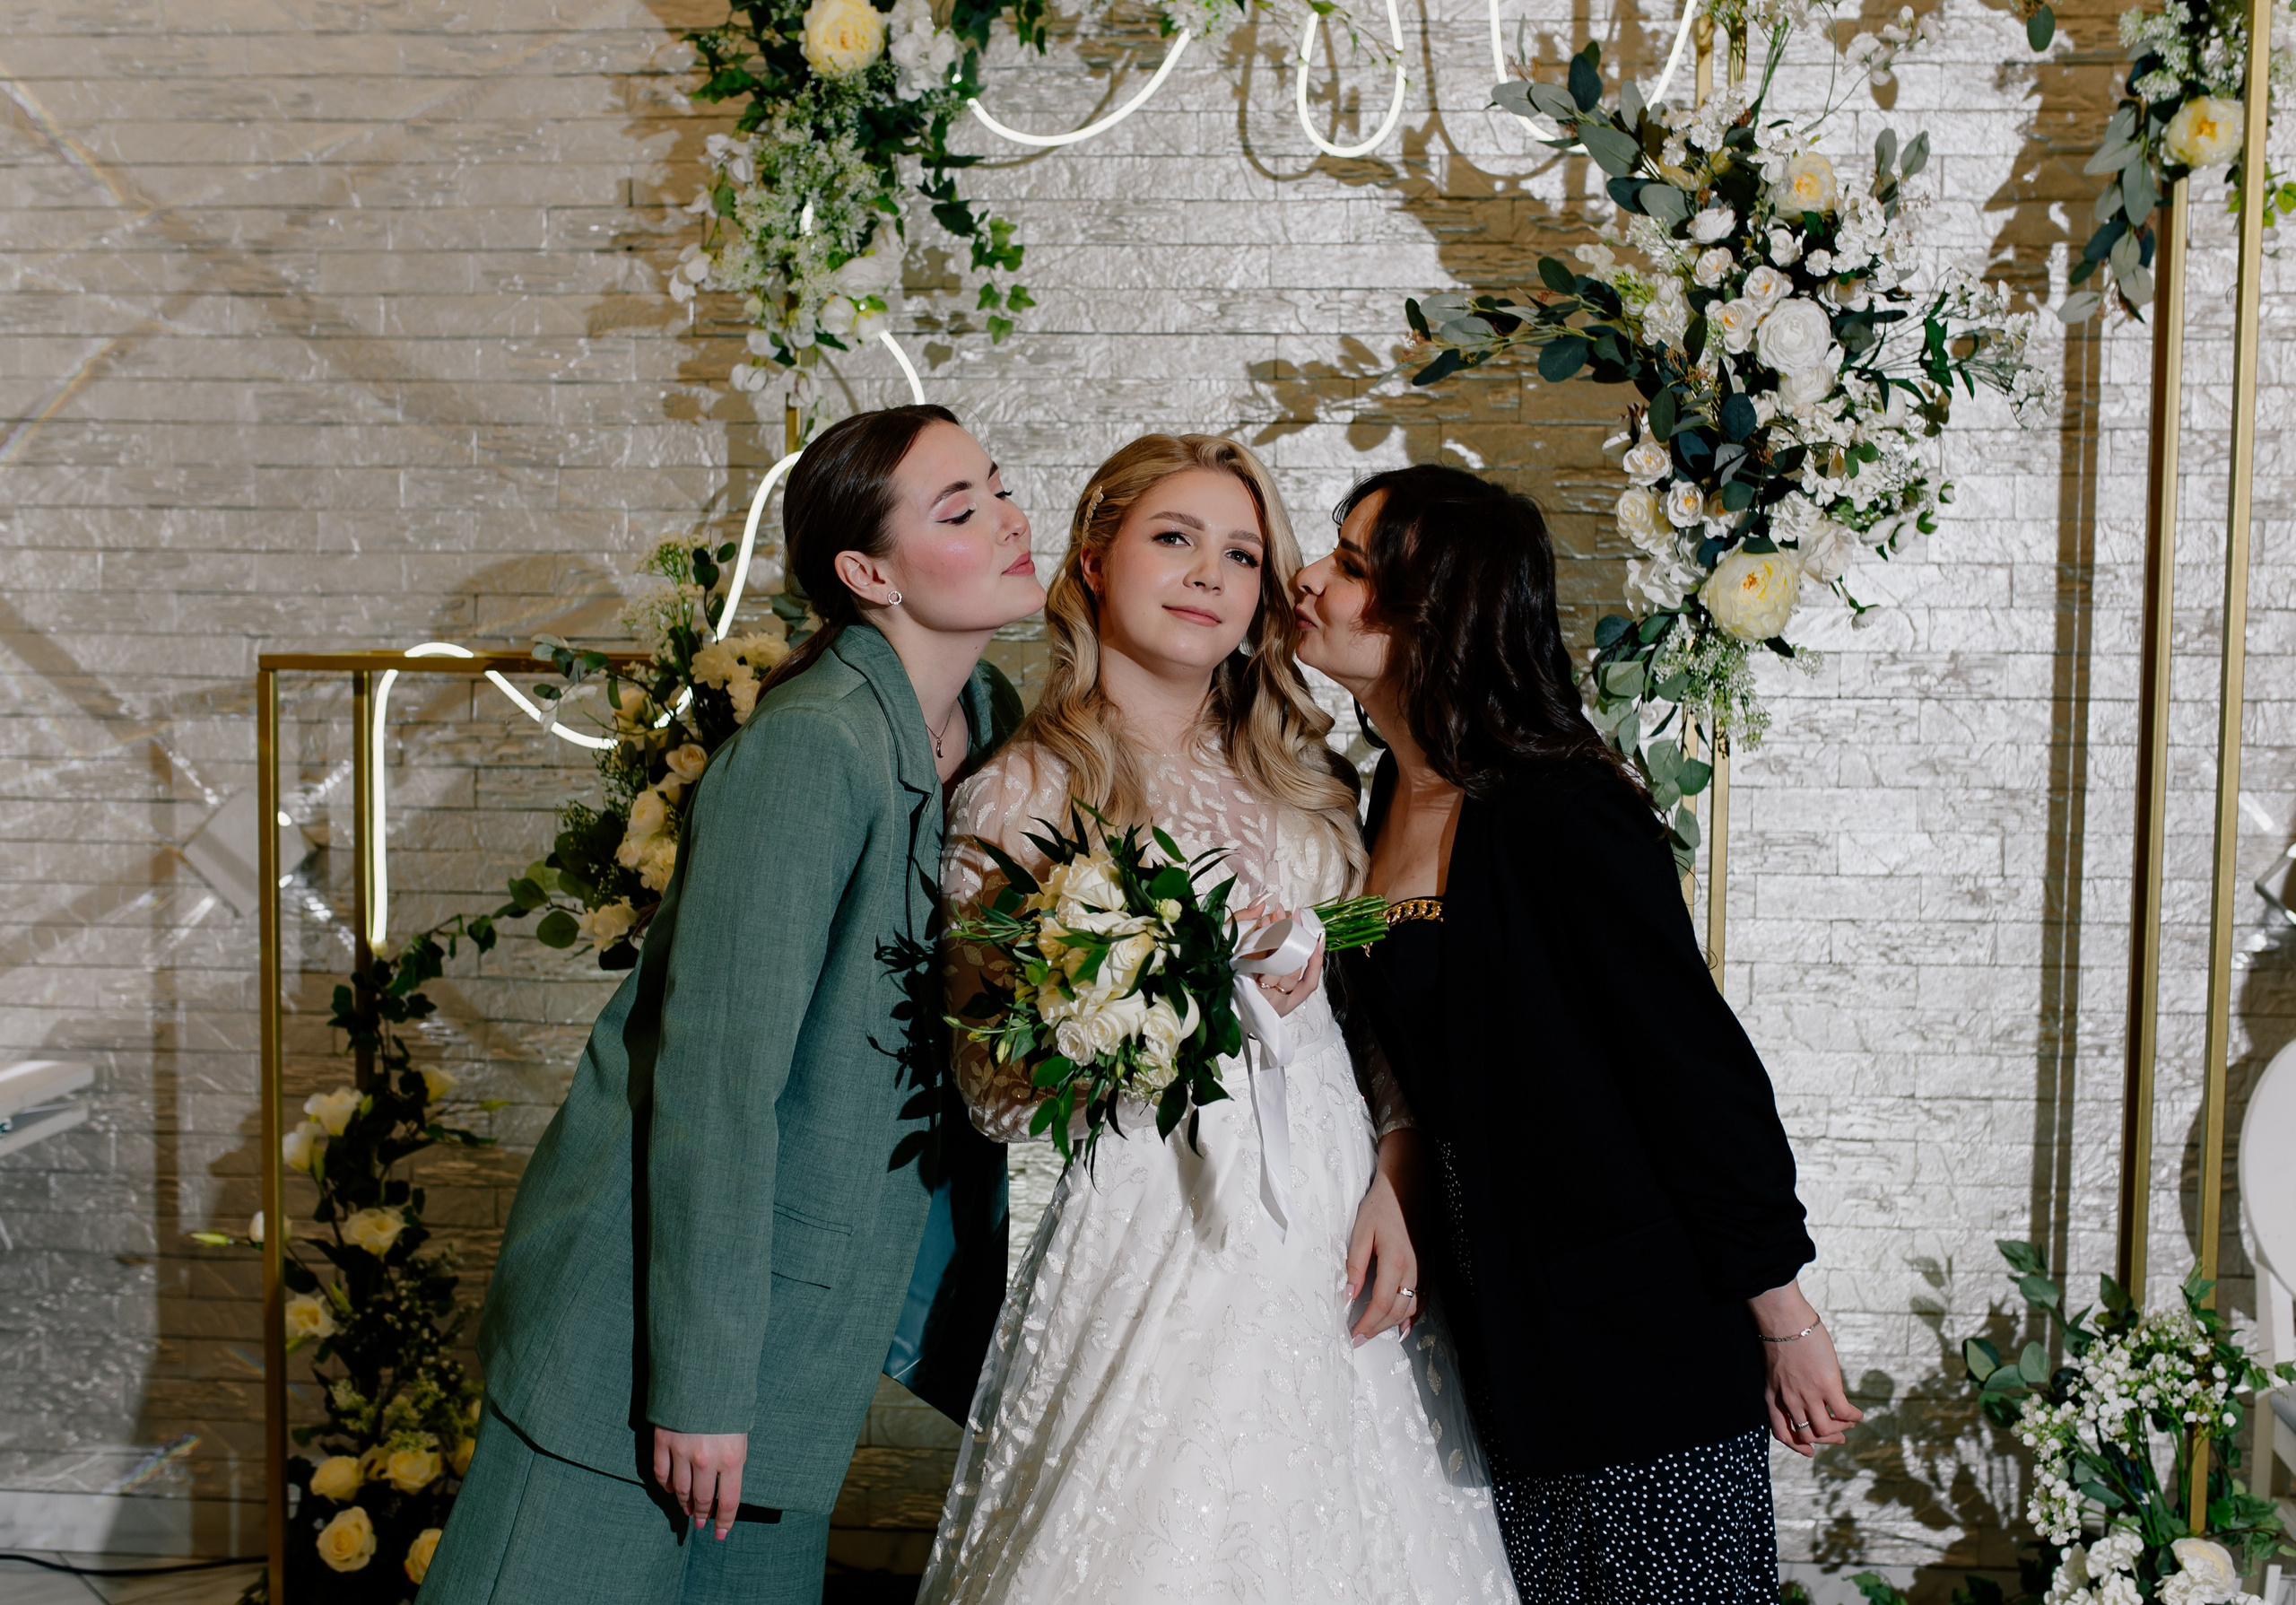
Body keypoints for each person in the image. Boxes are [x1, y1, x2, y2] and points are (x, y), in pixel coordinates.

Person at [419, 405, 1044, 1605]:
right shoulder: (814, 748)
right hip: (642, 1348)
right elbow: (715, 1084)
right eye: (960, 509)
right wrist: (702, 1386)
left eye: (999, 488)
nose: (1010, 521)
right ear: (869, 573)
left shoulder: (988, 722)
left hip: (799, 1350)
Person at [917, 435, 1518, 1605]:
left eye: (1241, 554)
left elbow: (1365, 988)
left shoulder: (1308, 774)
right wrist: (1151, 987)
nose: (1209, 573)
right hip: (1163, 1220)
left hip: (1340, 1210)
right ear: (1095, 559)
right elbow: (995, 1097)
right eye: (1174, 538)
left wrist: (1398, 1169)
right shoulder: (1022, 791)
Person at [1293, 463, 1860, 1605]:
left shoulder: (1564, 812)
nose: (1307, 579)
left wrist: (1782, 1314)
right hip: (1502, 1332)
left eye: (1349, 567)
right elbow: (1388, 962)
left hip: (1636, 1337)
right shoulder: (1379, 797)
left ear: (1432, 615)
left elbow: (1690, 1067)